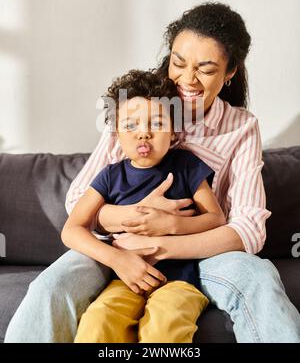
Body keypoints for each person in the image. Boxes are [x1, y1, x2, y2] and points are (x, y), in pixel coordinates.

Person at [5, 2, 300, 343]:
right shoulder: (137, 107)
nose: (187, 79)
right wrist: (134, 223)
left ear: (230, 71)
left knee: (259, 278)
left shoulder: (241, 127)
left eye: (205, 69)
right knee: (50, 287)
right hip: (119, 247)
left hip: (202, 255)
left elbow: (248, 229)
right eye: (178, 62)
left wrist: (164, 236)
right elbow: (77, 202)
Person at [62, 69, 225, 343]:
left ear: (173, 130)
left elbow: (216, 219)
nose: (144, 134)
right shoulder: (110, 176)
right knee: (97, 322)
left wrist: (176, 224)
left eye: (157, 123)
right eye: (131, 125)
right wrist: (116, 258)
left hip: (178, 283)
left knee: (163, 330)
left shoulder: (186, 166)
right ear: (116, 134)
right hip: (124, 278)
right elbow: (71, 229)